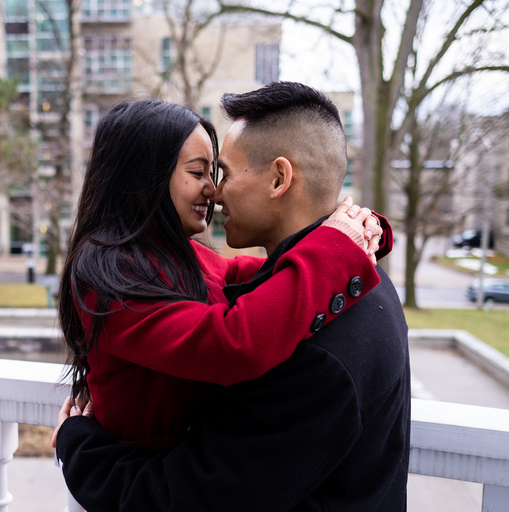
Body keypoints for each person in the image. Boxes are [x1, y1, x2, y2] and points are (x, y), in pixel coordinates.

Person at [55, 83, 410, 511]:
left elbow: (264, 279)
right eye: (199, 173)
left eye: (218, 172)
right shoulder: (111, 277)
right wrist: (343, 247)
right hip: (134, 471)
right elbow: (232, 341)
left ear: (280, 178)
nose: (213, 190)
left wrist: (361, 237)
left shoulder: (190, 260)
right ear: (145, 177)